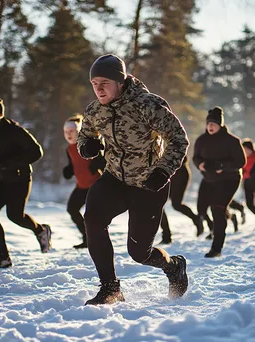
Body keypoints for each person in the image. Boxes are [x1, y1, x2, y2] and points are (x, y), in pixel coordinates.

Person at [77, 54, 189, 305]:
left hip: (149, 184)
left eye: (105, 82)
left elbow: (179, 139)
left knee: (139, 253)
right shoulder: (95, 109)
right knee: (93, 218)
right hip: (115, 178)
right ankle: (110, 288)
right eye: (94, 83)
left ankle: (173, 267)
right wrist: (87, 147)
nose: (99, 88)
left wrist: (162, 171)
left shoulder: (147, 105)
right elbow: (84, 135)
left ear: (120, 80)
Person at [0, 97, 52, 268]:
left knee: (15, 216)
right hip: (0, 181)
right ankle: (4, 258)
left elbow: (36, 151)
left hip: (20, 179)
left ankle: (40, 230)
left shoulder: (14, 131)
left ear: (0, 115)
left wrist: (11, 163)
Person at [193, 106, 246, 258]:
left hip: (229, 179)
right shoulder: (201, 140)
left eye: (214, 123)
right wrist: (200, 165)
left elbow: (241, 162)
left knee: (217, 209)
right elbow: (195, 157)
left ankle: (216, 248)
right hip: (209, 179)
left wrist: (223, 167)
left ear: (220, 125)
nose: (210, 126)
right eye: (208, 123)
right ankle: (224, 220)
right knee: (201, 209)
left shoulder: (232, 141)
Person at [63, 114, 104, 249]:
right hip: (81, 186)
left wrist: (97, 164)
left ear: (78, 132)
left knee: (91, 216)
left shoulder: (87, 144)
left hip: (94, 185)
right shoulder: (69, 149)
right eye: (66, 132)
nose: (68, 134)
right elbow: (73, 164)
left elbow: (102, 158)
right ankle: (87, 238)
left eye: (71, 131)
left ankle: (96, 240)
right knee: (72, 209)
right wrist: (69, 170)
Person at [159, 156, 203, 244]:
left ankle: (197, 220)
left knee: (176, 204)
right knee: (159, 204)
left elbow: (182, 155)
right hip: (162, 173)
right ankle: (166, 236)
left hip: (179, 172)